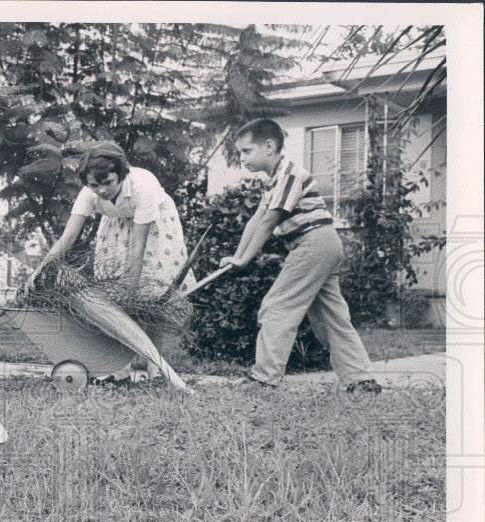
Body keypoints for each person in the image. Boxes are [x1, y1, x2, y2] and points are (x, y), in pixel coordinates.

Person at [221, 118, 382, 393]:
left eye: (246, 151)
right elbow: (255, 220)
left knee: (276, 308)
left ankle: (264, 380)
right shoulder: (274, 181)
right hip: (322, 245)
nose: (242, 158)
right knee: (331, 316)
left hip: (314, 243)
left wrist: (244, 260)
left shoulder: (290, 174)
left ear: (269, 146)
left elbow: (269, 222)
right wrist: (236, 257)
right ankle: (361, 381)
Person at [26, 142, 195, 376]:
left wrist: (131, 292)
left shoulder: (142, 187)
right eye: (94, 185)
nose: (102, 190)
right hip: (116, 226)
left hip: (154, 228)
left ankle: (154, 365)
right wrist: (39, 271)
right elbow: (68, 237)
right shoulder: (89, 194)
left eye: (107, 183)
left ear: (122, 173)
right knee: (112, 298)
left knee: (152, 297)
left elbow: (138, 249)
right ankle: (119, 367)